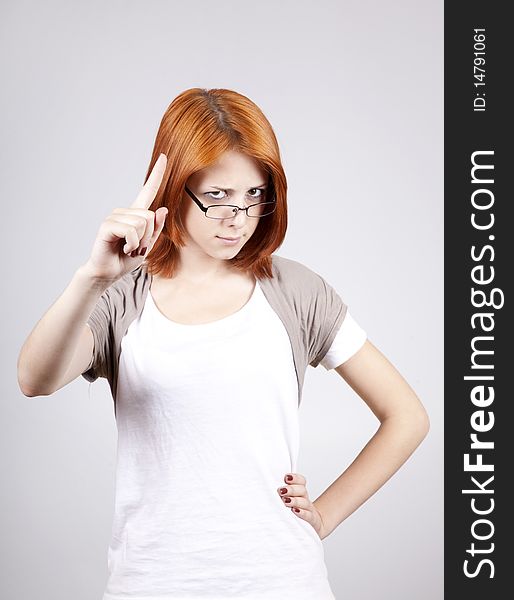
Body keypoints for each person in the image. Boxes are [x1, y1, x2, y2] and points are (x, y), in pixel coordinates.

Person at [17, 87, 430, 600]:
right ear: (172, 188)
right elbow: (34, 380)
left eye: (255, 195)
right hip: (151, 584)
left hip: (282, 582)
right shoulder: (122, 299)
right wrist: (91, 278)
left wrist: (325, 514)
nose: (238, 216)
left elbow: (408, 417)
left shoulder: (295, 291)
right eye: (217, 197)